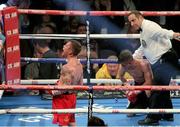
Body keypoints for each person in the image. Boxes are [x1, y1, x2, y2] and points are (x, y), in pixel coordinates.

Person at [127, 10, 180, 125]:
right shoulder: (144, 31)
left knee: (156, 89)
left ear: (140, 17)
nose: (132, 24)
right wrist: (132, 58)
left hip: (165, 60)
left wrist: (174, 34)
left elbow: (161, 32)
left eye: (133, 20)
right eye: (130, 22)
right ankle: (168, 115)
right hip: (161, 61)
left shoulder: (149, 26)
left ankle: (153, 118)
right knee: (163, 89)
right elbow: (144, 46)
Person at [51, 40, 83, 127]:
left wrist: (51, 91)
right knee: (71, 121)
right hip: (72, 97)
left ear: (71, 51)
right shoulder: (79, 64)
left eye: (66, 45)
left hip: (63, 99)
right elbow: (80, 85)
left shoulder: (67, 67)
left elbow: (63, 89)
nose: (63, 47)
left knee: (63, 124)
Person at [118, 50, 153, 116]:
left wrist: (136, 91)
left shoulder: (142, 64)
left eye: (124, 64)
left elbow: (148, 82)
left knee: (148, 93)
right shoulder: (123, 66)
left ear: (130, 62)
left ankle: (149, 105)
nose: (122, 66)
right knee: (129, 114)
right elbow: (120, 76)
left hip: (147, 86)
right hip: (137, 85)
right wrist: (127, 86)